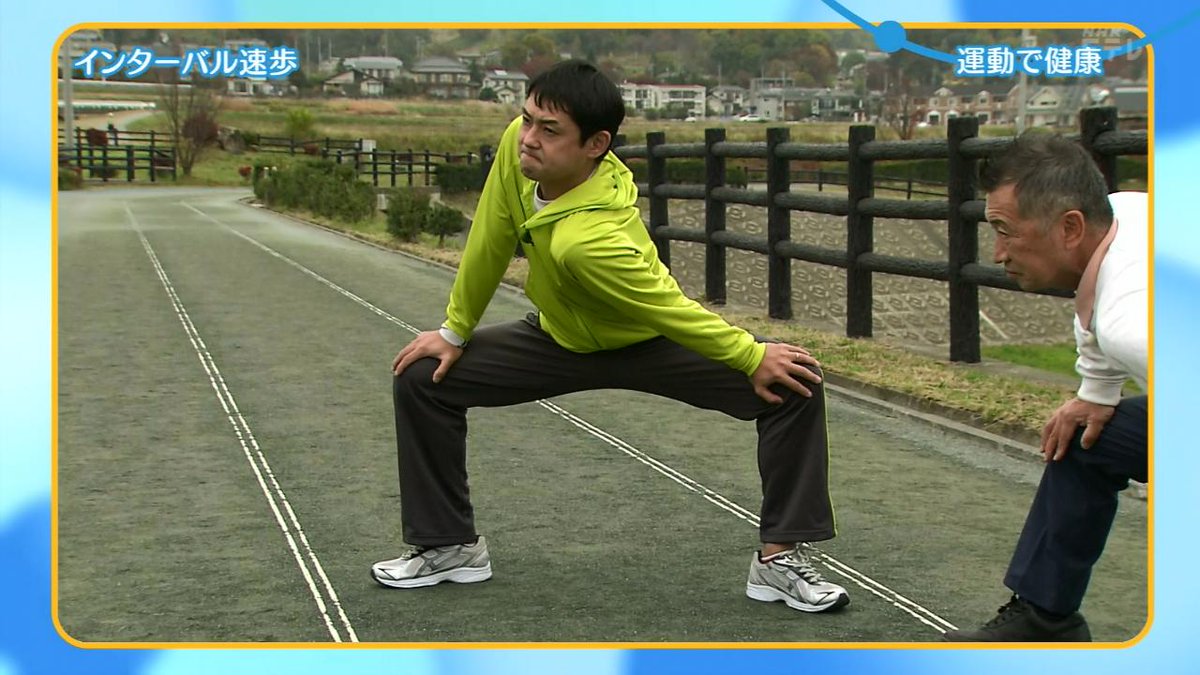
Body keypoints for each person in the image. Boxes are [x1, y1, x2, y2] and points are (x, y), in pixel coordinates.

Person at [372, 59, 849, 613]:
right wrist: (454, 331)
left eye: (550, 131)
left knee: (795, 384)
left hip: (646, 342)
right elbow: (491, 235)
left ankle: (778, 561)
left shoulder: (590, 238)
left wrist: (751, 356)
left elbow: (667, 308)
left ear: (596, 145)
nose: (529, 138)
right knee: (422, 376)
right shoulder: (518, 149)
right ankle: (448, 546)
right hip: (557, 339)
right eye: (527, 119)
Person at [943, 133, 1148, 641]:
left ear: (1071, 227)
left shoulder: (1131, 322)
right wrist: (1095, 391)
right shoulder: (1122, 215)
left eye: (1005, 232)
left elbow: (1119, 317)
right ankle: (1044, 621)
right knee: (1086, 440)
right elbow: (1094, 292)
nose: (997, 253)